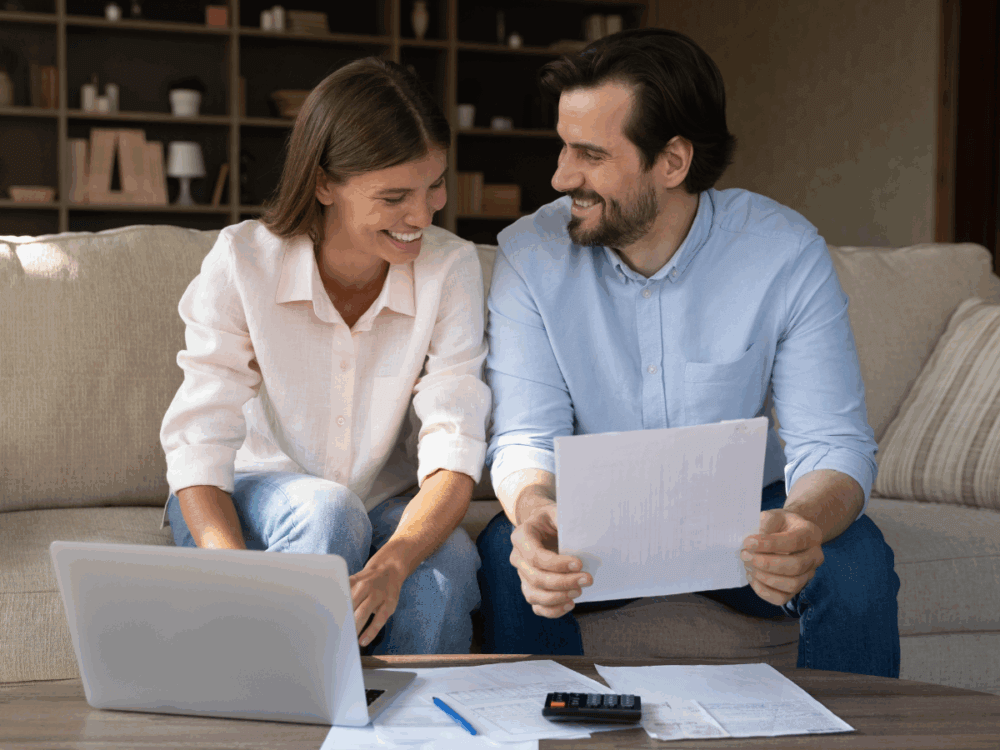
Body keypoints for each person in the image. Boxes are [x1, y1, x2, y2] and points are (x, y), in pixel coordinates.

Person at [476, 29, 901, 677]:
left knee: (860, 566)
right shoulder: (529, 256)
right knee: (507, 555)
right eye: (563, 147)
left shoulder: (784, 253)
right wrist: (536, 511)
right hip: (592, 519)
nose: (562, 177)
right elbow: (527, 436)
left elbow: (833, 442)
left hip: (746, 518)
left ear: (672, 162)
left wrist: (804, 524)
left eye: (590, 154)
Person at [160, 58, 490, 655]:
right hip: (245, 494)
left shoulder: (451, 267)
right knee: (329, 511)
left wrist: (393, 564)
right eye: (394, 197)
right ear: (323, 183)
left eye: (433, 185)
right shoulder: (242, 261)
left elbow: (455, 440)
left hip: (380, 500)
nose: (423, 215)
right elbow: (199, 440)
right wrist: (232, 578)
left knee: (449, 564)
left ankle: (414, 734)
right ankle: (295, 720)